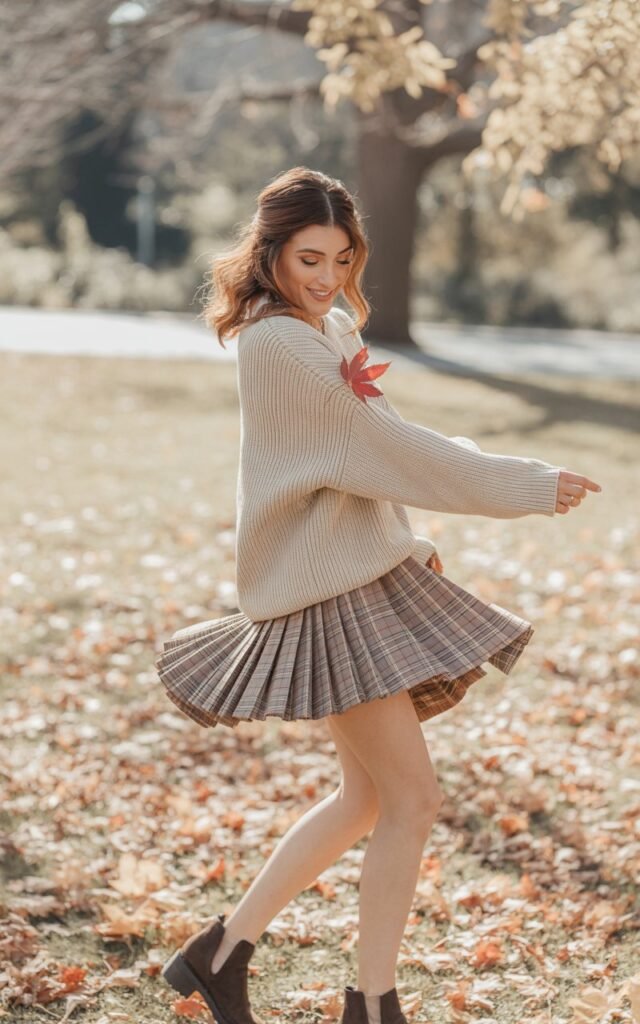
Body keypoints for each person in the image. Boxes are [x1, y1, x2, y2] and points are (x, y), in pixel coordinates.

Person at [155, 166, 602, 1024]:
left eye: (341, 258)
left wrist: (408, 543)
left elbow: (367, 454)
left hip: (351, 579)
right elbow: (384, 447)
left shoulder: (323, 327)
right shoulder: (279, 343)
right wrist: (524, 482)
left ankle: (220, 954)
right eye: (308, 259)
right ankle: (371, 1002)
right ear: (269, 252)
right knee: (412, 798)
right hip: (325, 601)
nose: (327, 277)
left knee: (366, 798)